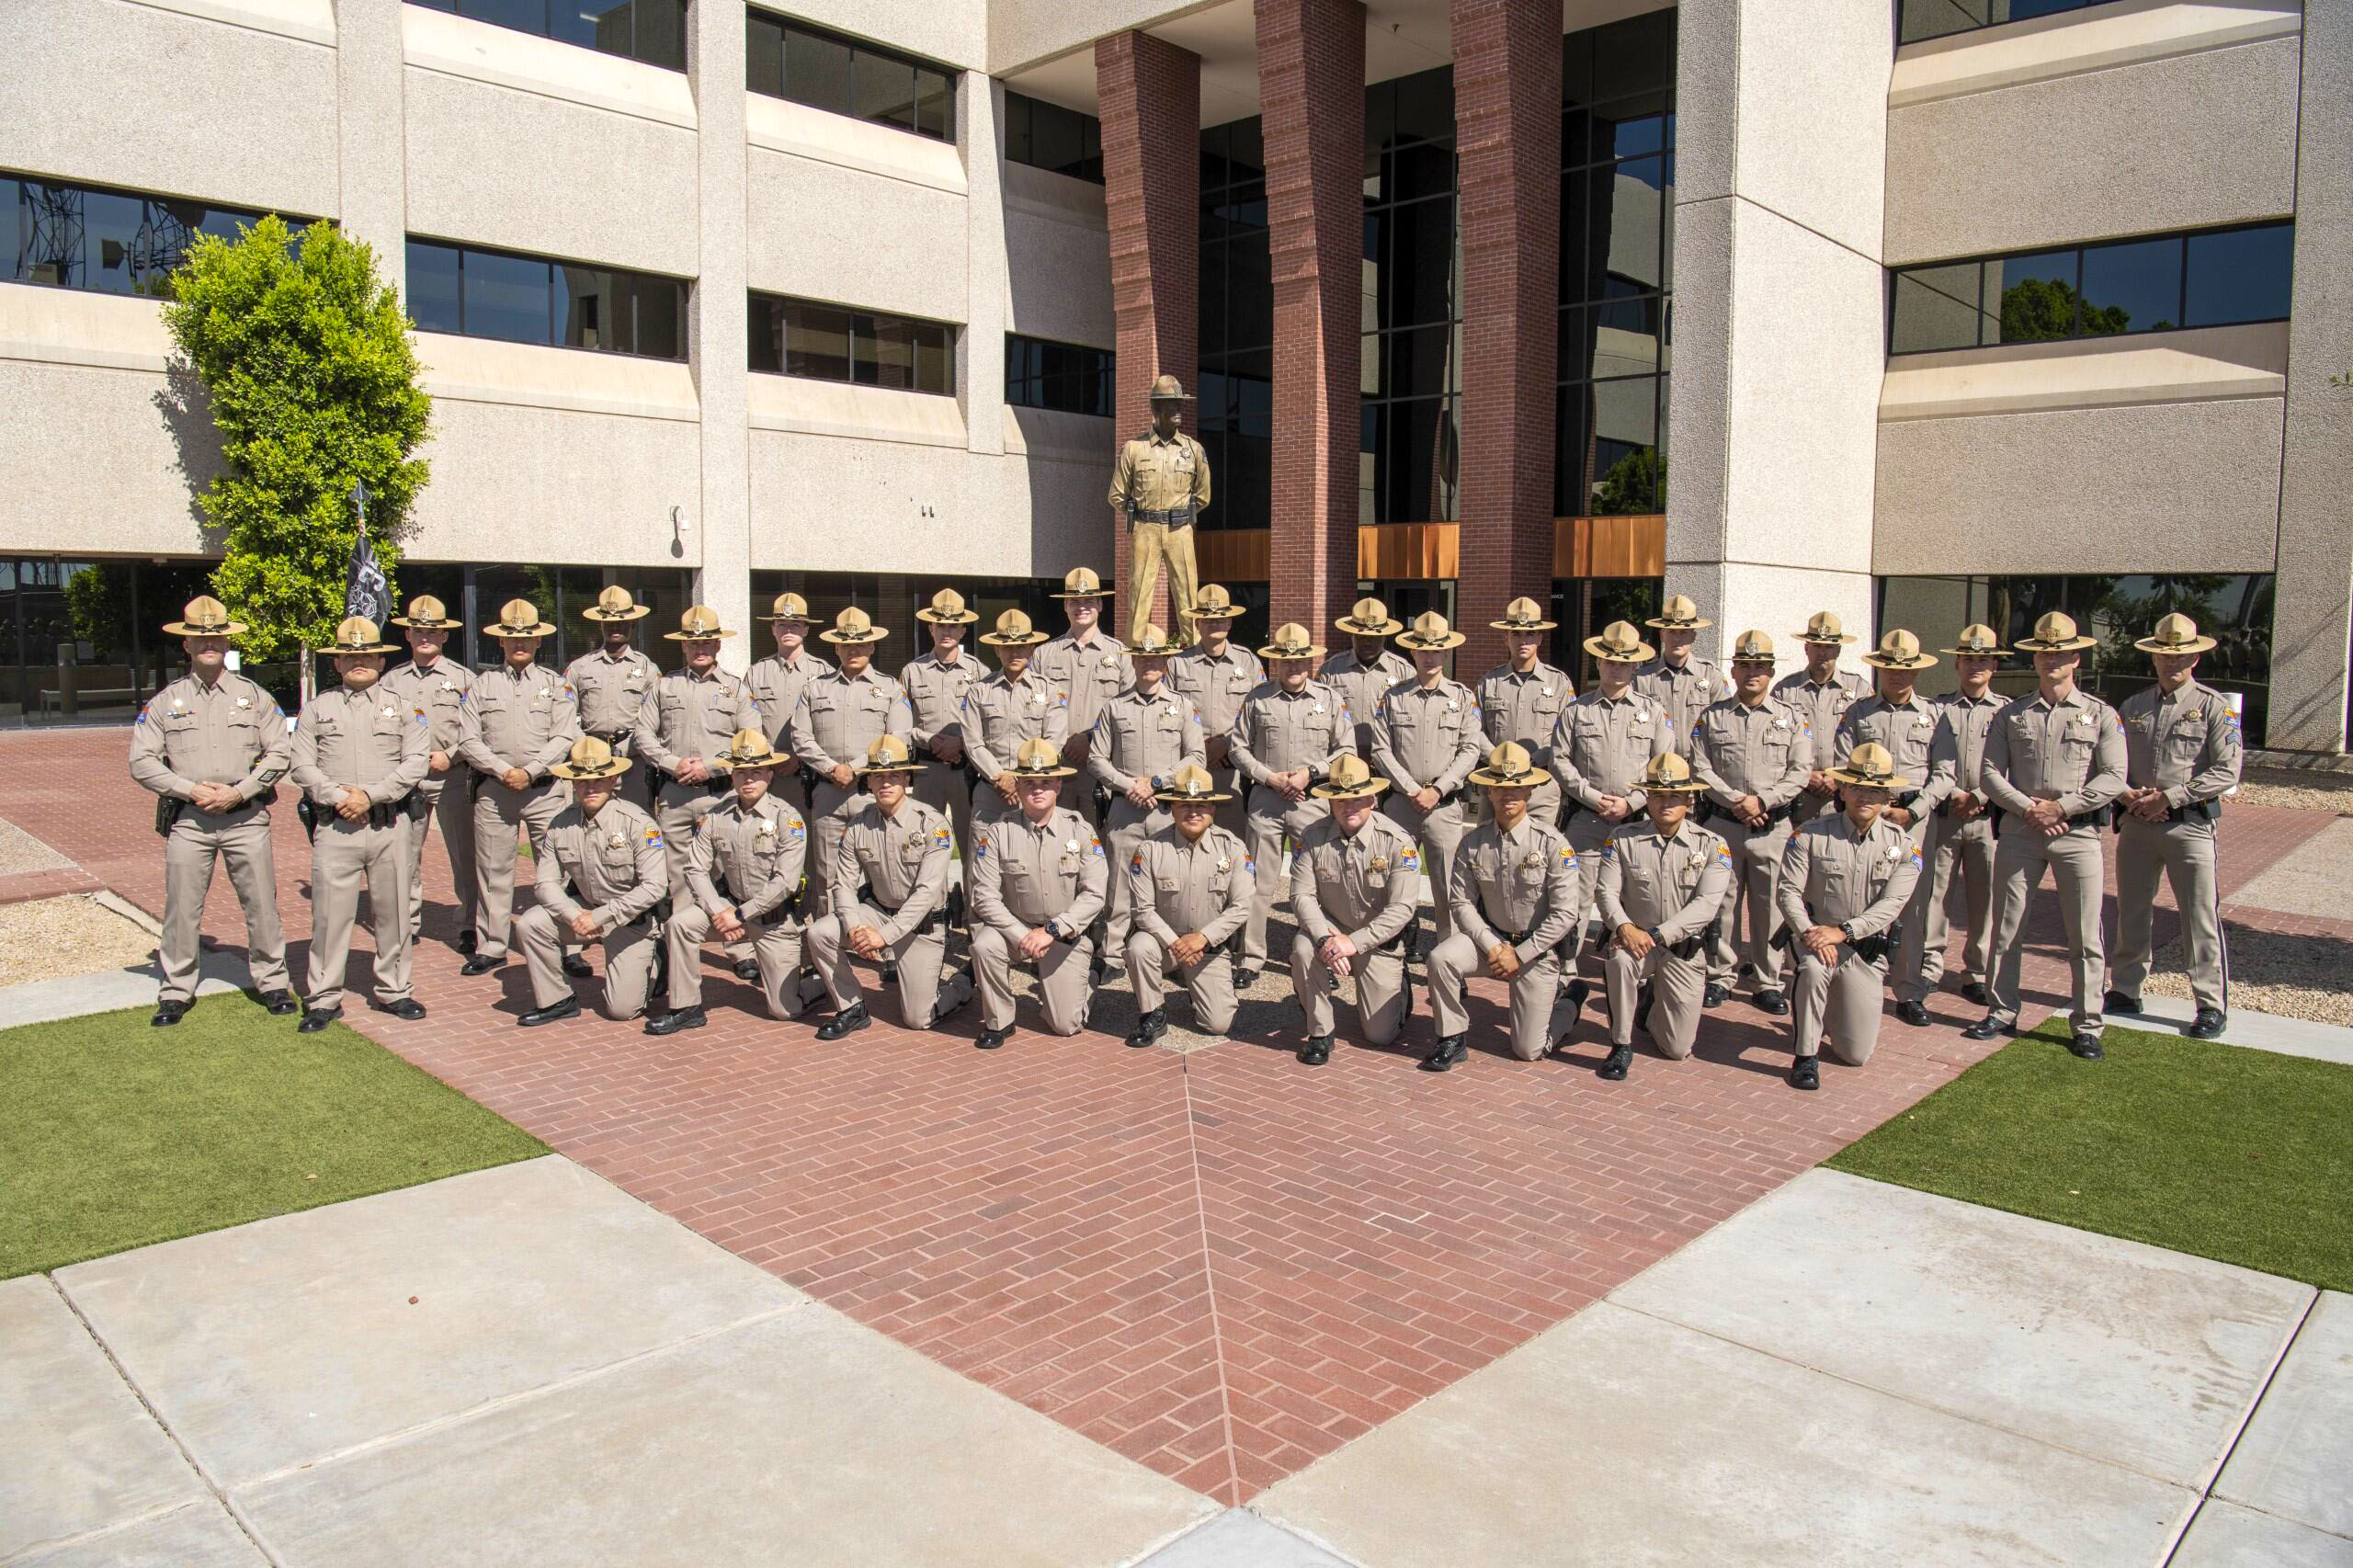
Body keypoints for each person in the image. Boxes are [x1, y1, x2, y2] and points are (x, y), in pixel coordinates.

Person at [1964, 611, 2129, 1059]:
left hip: (2077, 835)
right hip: (2020, 831)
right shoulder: (2012, 714)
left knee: (2084, 934)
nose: (2049, 659)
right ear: (2033, 659)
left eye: (2058, 652)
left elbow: (2114, 776)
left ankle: (2087, 1023)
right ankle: (2001, 1010)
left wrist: (2063, 807)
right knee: (2007, 928)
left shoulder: (2101, 714)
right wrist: (2030, 808)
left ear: (2076, 657)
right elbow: (1991, 773)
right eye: (2041, 652)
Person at [129, 596, 300, 1027]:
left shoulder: (254, 697)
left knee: (261, 903)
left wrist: (240, 792)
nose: (209, 644)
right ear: (186, 646)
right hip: (191, 819)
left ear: (227, 643)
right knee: (182, 907)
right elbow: (141, 761)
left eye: (216, 637)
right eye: (200, 638)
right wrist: (188, 789)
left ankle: (272, 981)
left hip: (246, 818)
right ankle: (176, 989)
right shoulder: (165, 702)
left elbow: (280, 753)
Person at [2107, 613, 2245, 1040]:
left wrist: (2171, 797)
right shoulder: (2133, 707)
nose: (2172, 663)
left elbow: (2229, 770)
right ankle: (2126, 988)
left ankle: (2209, 1004)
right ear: (2154, 659)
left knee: (2199, 915)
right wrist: (2130, 796)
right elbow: (2113, 763)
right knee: (2131, 909)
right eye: (2165, 655)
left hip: (2189, 827)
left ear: (2196, 657)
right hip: (2137, 826)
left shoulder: (2214, 706)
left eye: (2181, 655)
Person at [290, 617, 430, 1032]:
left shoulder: (406, 709)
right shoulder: (317, 710)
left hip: (390, 825)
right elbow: (301, 766)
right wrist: (340, 798)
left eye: (367, 654)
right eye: (350, 656)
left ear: (381, 660)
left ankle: (394, 990)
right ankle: (324, 997)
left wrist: (370, 796)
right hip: (335, 828)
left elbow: (415, 763)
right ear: (336, 663)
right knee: (330, 917)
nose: (359, 662)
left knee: (395, 914)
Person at [1424, 743, 1583, 1071]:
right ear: (1489, 792)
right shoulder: (1473, 842)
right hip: (1491, 943)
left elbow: (1566, 913)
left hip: (1536, 949)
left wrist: (1520, 953)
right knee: (1441, 958)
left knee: (1528, 1050)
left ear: (1530, 790)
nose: (1508, 795)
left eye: (1517, 788)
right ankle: (1451, 1038)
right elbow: (1461, 901)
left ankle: (1569, 1004)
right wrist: (1494, 945)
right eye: (1500, 788)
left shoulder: (1553, 844)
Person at [1777, 742, 1925, 1090]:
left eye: (1874, 790)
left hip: (1864, 949)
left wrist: (1843, 932)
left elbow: (1891, 905)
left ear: (1888, 795)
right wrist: (1809, 932)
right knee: (1812, 970)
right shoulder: (1810, 834)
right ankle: (1805, 1057)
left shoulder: (1904, 846)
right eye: (1857, 787)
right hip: (1815, 941)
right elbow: (1788, 892)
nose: (1864, 797)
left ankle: (1829, 1013)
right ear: (1842, 789)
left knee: (1855, 1054)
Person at [804, 735, 973, 1038]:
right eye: (878, 776)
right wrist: (856, 928)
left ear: (907, 778)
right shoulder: (858, 826)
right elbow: (842, 885)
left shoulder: (931, 824)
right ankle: (852, 1007)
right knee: (820, 933)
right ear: (867, 782)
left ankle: (962, 983)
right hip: (878, 913)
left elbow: (926, 894)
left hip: (921, 925)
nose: (885, 782)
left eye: (893, 775)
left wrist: (883, 937)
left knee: (918, 1018)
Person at [652, 728, 815, 1035]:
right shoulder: (716, 815)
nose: (748, 779)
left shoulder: (788, 818)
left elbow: (785, 883)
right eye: (741, 772)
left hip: (772, 918)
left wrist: (740, 915)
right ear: (732, 776)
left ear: (770, 775)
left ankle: (815, 982)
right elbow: (694, 868)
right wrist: (719, 911)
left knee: (784, 1010)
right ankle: (685, 1008)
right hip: (729, 910)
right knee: (680, 924)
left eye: (756, 771)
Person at [454, 598, 582, 978]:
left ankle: (567, 944)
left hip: (545, 790)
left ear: (539, 640)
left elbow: (564, 736)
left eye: (527, 636)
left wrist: (531, 770)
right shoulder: (482, 684)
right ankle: (492, 944)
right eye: (512, 636)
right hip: (495, 791)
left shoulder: (557, 685)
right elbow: (468, 739)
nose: (519, 643)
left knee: (558, 868)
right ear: (502, 641)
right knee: (493, 870)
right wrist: (502, 770)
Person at [1549, 620, 1674, 1008]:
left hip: (1637, 821)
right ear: (1598, 664)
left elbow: (1664, 764)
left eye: (1624, 663)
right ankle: (1567, 970)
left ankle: (1639, 970)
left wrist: (1634, 803)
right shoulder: (1576, 710)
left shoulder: (1653, 713)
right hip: (1588, 818)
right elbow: (1559, 759)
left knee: (1638, 896)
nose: (1616, 668)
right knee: (1577, 896)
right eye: (1608, 661)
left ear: (1635, 667)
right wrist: (1589, 795)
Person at [1688, 631, 1810, 1013]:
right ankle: (1720, 974)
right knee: (1722, 903)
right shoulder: (1713, 716)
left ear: (1771, 671)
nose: (1752, 673)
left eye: (1759, 667)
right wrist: (1737, 800)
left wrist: (1763, 801)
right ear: (1734, 671)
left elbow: (1800, 770)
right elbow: (1699, 766)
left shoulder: (1791, 719)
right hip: (1723, 824)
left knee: (1770, 903)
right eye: (1745, 666)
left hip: (1772, 828)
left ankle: (1767, 980)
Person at [1893, 624, 2008, 1026]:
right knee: (1935, 896)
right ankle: (1929, 966)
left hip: (1988, 817)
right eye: (1968, 658)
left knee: (1985, 899)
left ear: (1994, 664)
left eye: (1983, 659)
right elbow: (1934, 765)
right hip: (1943, 815)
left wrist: (1981, 795)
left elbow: (2014, 767)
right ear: (1957, 663)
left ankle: (1976, 972)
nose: (1975, 665)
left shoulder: (2007, 710)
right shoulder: (1937, 708)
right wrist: (1956, 792)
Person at [1593, 752, 1734, 1078]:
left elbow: (1706, 905)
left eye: (1674, 795)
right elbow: (1606, 892)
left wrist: (1657, 936)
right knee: (1619, 961)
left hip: (1682, 948)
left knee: (1676, 1049)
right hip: (1635, 942)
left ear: (1689, 798)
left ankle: (1651, 1004)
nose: (1665, 803)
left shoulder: (1713, 844)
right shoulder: (1622, 839)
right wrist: (1624, 927)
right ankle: (1620, 1045)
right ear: (1647, 799)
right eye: (1657, 795)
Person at [634, 606, 758, 976]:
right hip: (674, 795)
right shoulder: (663, 686)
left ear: (717, 644)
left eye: (706, 641)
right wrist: (674, 764)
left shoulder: (737, 689)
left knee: (731, 871)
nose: (699, 648)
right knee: (679, 877)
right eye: (693, 642)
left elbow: (751, 739)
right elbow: (643, 734)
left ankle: (740, 949)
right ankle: (681, 950)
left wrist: (710, 765)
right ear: (683, 647)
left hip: (719, 794)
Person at [511, 737, 667, 1027]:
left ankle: (656, 956)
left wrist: (601, 916)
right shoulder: (561, 824)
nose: (590, 787)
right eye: (582, 781)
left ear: (614, 780)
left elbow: (654, 887)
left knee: (622, 1010)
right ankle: (556, 1000)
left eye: (598, 779)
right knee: (530, 924)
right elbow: (545, 883)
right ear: (572, 783)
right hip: (584, 912)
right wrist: (574, 915)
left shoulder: (639, 824)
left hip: (629, 920)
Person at [1228, 622, 1352, 985]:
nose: (1294, 667)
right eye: (1286, 661)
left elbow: (1344, 749)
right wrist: (1270, 777)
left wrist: (1309, 773)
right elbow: (1238, 748)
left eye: (1300, 661)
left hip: (1311, 803)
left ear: (1310, 662)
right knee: (1257, 884)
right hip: (1266, 802)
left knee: (1318, 884)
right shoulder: (1257, 698)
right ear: (1276, 663)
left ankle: (1321, 955)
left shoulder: (1329, 699)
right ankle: (1250, 957)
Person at [1837, 629, 1954, 1009]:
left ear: (1916, 672)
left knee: (1915, 904)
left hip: (1913, 817)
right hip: (1864, 815)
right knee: (1859, 896)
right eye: (1889, 668)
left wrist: (1914, 810)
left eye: (1905, 670)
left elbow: (1944, 773)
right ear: (1879, 669)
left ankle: (1908, 990)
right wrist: (1865, 804)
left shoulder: (1936, 715)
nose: (1897, 675)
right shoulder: (1858, 712)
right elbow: (1842, 764)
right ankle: (1853, 985)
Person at [968, 738, 1109, 1051]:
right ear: (1017, 786)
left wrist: (1051, 931)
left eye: (1046, 782)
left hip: (1063, 933)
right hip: (1016, 930)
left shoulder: (1080, 830)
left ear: (1059, 785)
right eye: (1030, 782)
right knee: (984, 944)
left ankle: (1092, 975)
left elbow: (1095, 894)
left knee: (1064, 1025)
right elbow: (984, 896)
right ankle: (999, 1021)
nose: (1038, 789)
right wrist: (1022, 935)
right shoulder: (998, 832)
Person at [787, 607, 915, 931]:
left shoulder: (890, 688)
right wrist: (832, 769)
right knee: (827, 875)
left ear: (871, 647)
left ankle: (887, 943)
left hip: (873, 792)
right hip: (828, 792)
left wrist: (855, 769)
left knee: (885, 871)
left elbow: (898, 737)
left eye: (861, 645)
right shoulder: (815, 688)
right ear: (836, 648)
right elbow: (800, 737)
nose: (854, 650)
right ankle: (833, 943)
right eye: (847, 645)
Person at [1290, 754, 1421, 1065]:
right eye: (1341, 800)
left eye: (1357, 799)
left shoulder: (1397, 842)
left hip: (1377, 941)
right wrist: (1324, 937)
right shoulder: (1313, 837)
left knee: (1380, 1035)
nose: (1349, 807)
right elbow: (1301, 895)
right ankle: (1320, 1032)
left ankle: (1399, 988)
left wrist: (1353, 942)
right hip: (1332, 933)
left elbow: (1402, 908)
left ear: (1373, 799)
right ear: (1330, 803)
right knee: (1302, 948)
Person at [1087, 624, 1204, 970]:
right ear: (1133, 662)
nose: (1149, 664)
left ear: (1165, 661)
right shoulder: (1115, 707)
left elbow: (1196, 756)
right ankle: (1110, 954)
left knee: (1173, 885)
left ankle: (1174, 955)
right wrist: (1128, 785)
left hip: (1168, 809)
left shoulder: (1183, 706)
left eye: (1155, 658)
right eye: (1142, 658)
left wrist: (1154, 782)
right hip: (1125, 809)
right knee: (1118, 885)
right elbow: (1096, 758)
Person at [1368, 611, 1481, 956]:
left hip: (1443, 806)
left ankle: (1450, 958)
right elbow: (1380, 749)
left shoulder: (1462, 698)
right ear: (1413, 653)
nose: (1430, 657)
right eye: (1423, 651)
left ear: (1446, 654)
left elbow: (1470, 749)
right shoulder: (1394, 697)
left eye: (1437, 651)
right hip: (1402, 804)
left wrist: (1438, 790)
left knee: (1448, 888)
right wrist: (1410, 789)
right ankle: (1390, 950)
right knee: (1390, 879)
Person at [1124, 765, 1253, 1048]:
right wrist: (1176, 943)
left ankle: (1195, 983)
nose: (1192, 811)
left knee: (1218, 1025)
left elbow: (1242, 906)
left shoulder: (1232, 848)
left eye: (1200, 804)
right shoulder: (1150, 849)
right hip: (1163, 943)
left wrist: (1202, 939)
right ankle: (1153, 1013)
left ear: (1213, 809)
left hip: (1208, 946)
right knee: (1139, 947)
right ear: (1171, 808)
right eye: (1184, 804)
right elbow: (1142, 910)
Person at [384, 594, 478, 953]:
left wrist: (451, 756)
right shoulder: (390, 682)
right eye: (418, 630)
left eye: (432, 631)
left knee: (464, 854)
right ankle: (407, 923)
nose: (425, 636)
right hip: (406, 781)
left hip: (451, 776)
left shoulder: (464, 679)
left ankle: (469, 923)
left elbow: (475, 730)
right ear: (408, 635)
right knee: (405, 854)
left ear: (444, 636)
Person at [1109, 374, 1210, 644]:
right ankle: (1134, 659)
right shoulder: (1133, 449)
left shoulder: (1194, 450)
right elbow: (1117, 494)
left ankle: (1195, 656)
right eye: (1172, 404)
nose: (1179, 410)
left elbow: (1203, 495)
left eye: (1180, 404)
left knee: (1189, 597)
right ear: (1155, 408)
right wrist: (1140, 513)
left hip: (1180, 529)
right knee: (1139, 596)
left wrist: (1180, 514)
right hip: (1146, 528)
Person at [902, 588, 988, 873]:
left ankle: (971, 912)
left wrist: (961, 744)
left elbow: (990, 725)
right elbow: (900, 725)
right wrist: (930, 740)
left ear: (963, 630)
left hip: (967, 772)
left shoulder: (980, 673)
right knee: (924, 842)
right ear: (931, 628)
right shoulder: (912, 672)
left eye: (953, 625)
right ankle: (930, 910)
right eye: (941, 625)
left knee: (972, 846)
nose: (946, 631)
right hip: (927, 771)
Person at [1167, 584, 1263, 840]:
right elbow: (1166, 716)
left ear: (1230, 622)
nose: (1214, 624)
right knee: (1185, 839)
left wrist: (1225, 744)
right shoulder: (1177, 664)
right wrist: (1200, 749)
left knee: (1231, 841)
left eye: (1220, 618)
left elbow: (1259, 718)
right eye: (1207, 619)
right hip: (1188, 768)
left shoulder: (1249, 662)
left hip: (1232, 769)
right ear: (1197, 623)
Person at [1036, 568, 1133, 816]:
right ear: (1065, 606)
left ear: (1100, 604)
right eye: (1075, 601)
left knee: (1098, 844)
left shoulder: (1120, 655)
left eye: (1089, 600)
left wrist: (1089, 739)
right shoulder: (1044, 654)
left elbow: (1128, 711)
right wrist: (1061, 742)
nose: (1082, 607)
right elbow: (1033, 711)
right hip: (1054, 765)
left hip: (1101, 765)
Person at [963, 608, 1071, 826]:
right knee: (983, 858)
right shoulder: (978, 691)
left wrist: (1021, 779)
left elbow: (1054, 740)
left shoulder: (1050, 691)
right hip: (991, 791)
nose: (1014, 653)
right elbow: (973, 743)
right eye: (1008, 647)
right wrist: (1000, 777)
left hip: (1034, 791)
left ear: (1031, 649)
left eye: (1021, 646)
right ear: (997, 650)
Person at [1478, 597, 1575, 826]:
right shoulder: (1489, 682)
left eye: (1530, 634)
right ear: (1506, 638)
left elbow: (1567, 733)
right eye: (1516, 634)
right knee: (1487, 852)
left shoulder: (1560, 683)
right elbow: (1474, 730)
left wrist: (1534, 759)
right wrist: (1497, 759)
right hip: (1496, 785)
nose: (1523, 640)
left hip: (1540, 785)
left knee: (1537, 855)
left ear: (1540, 638)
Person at [565, 585, 659, 812]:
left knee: (636, 823)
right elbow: (564, 715)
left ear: (633, 624)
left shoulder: (648, 669)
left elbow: (654, 719)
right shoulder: (579, 667)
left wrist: (626, 749)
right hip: (589, 764)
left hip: (633, 761)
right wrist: (587, 748)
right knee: (587, 825)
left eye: (621, 621)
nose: (615, 626)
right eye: (609, 621)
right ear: (601, 624)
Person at [1772, 610, 1868, 829]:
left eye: (1829, 647)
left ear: (1839, 650)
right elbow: (1773, 746)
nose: (1823, 653)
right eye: (1817, 646)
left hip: (1844, 795)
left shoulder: (1859, 689)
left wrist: (1840, 777)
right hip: (1799, 794)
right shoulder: (1786, 690)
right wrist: (1804, 776)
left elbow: (1868, 743)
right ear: (1806, 648)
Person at [1636, 596, 1732, 759]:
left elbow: (1726, 722)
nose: (1677, 639)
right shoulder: (1642, 678)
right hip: (1656, 767)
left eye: (1683, 632)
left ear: (1693, 636)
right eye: (1671, 632)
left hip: (1699, 767)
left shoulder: (1711, 675)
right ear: (1662, 635)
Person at [1323, 597, 1411, 759]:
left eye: (1374, 637)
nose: (1367, 642)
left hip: (1389, 762)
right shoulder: (1331, 670)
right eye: (1361, 636)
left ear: (1385, 636)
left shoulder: (1403, 672)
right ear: (1352, 636)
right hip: (1341, 760)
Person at [746, 592, 823, 755]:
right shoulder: (756, 673)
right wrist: (771, 754)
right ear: (773, 629)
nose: (788, 630)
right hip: (769, 768)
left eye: (795, 625)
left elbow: (828, 726)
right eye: (781, 624)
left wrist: (799, 756)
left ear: (806, 630)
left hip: (812, 770)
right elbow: (748, 722)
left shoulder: (823, 672)